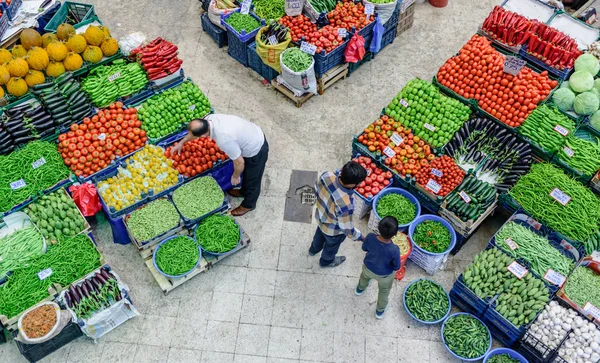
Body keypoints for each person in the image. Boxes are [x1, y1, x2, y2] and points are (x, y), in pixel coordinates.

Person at [171, 114, 268, 216]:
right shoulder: (209, 119)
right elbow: (193, 132)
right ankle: (243, 191)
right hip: (249, 133)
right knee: (248, 174)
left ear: (203, 136)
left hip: (256, 148)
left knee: (253, 178)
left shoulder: (224, 139)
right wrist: (181, 143)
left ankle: (249, 204)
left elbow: (239, 162)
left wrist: (235, 176)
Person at [309, 161, 367, 268]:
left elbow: (316, 190)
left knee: (319, 236)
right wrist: (361, 237)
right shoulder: (345, 204)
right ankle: (326, 262)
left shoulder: (327, 176)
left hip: (321, 218)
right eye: (359, 183)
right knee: (331, 248)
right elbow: (346, 228)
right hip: (333, 232)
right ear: (353, 184)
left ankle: (313, 250)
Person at [355, 216, 401, 319]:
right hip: (384, 276)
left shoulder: (370, 237)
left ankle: (360, 289)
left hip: (368, 268)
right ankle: (379, 311)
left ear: (378, 228)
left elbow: (364, 248)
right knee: (384, 292)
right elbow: (396, 266)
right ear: (395, 234)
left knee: (364, 277)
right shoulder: (394, 249)